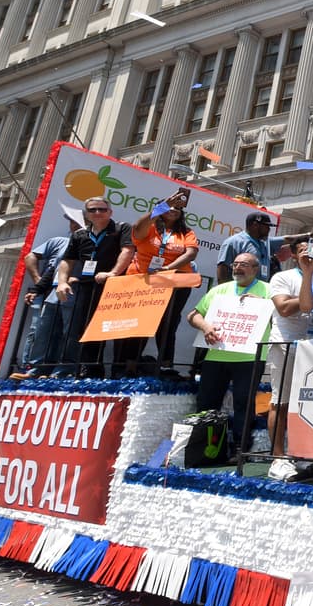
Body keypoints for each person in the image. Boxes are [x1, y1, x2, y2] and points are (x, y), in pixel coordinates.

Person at [187, 252, 271, 454]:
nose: (237, 267)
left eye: (244, 264)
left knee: (243, 403)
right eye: (235, 264)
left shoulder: (268, 290)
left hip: (250, 357)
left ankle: (240, 449)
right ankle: (203, 448)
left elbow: (281, 317)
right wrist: (206, 327)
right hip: (217, 355)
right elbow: (193, 315)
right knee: (207, 402)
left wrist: (261, 304)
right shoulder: (220, 290)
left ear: (256, 269)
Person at [116, 189, 199, 377]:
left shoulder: (186, 232)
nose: (174, 210)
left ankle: (166, 367)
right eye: (170, 206)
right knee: (140, 323)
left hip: (175, 281)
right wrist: (162, 206)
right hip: (144, 281)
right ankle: (129, 367)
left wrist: (168, 268)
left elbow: (191, 254)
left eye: (178, 208)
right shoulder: (150, 227)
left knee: (168, 324)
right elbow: (137, 228)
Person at [55, 197, 136, 377]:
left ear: (110, 212)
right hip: (88, 287)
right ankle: (91, 369)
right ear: (87, 214)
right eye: (92, 210)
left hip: (116, 286)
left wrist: (113, 273)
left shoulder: (122, 228)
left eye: (102, 209)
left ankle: (119, 370)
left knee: (119, 328)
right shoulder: (79, 235)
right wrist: (62, 282)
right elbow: (68, 260)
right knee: (88, 328)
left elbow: (128, 251)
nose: (97, 212)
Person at [265, 240, 313, 481]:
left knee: (309, 404)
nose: (306, 253)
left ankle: (302, 453)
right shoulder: (283, 277)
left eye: (311, 249)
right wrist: (312, 296)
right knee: (281, 401)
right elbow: (284, 308)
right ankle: (278, 458)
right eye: (301, 250)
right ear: (294, 256)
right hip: (285, 344)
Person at [10, 229, 73, 379]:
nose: (73, 225)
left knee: (68, 333)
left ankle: (60, 371)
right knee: (41, 331)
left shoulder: (90, 242)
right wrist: (38, 287)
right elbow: (53, 269)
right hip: (52, 293)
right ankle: (35, 369)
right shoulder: (61, 242)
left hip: (74, 293)